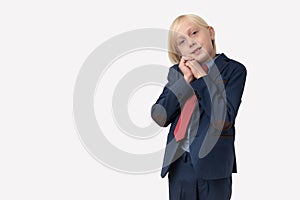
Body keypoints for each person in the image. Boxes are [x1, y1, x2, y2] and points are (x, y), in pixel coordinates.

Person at [151, 14, 247, 200]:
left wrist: (202, 78)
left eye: (194, 33)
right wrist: (184, 80)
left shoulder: (234, 70)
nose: (191, 43)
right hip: (179, 164)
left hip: (214, 167)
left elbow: (224, 118)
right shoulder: (177, 73)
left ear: (210, 32)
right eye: (182, 42)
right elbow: (160, 116)